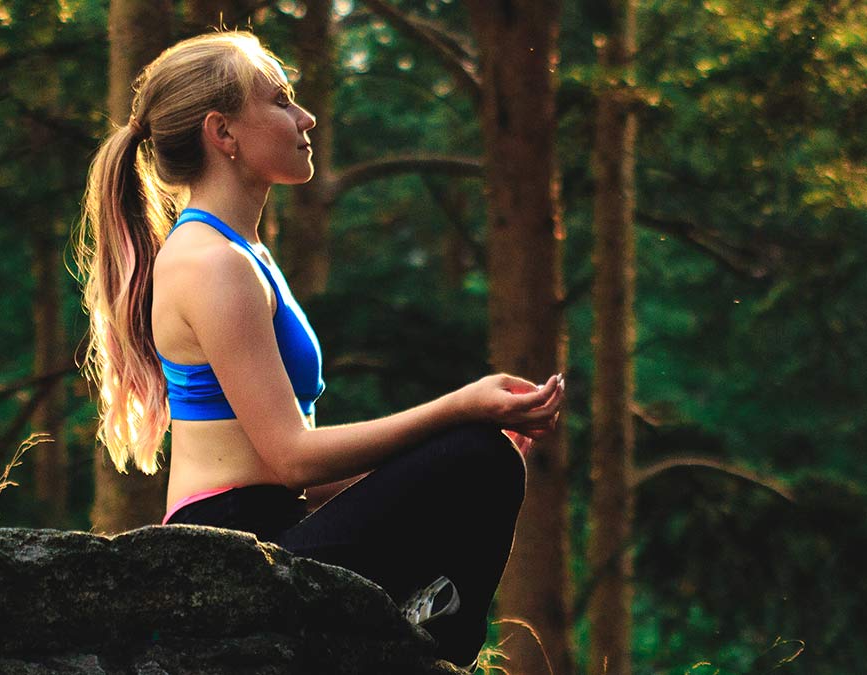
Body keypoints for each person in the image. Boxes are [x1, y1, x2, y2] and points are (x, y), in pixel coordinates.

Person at [76, 31, 563, 671]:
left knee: (480, 460)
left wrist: (446, 455)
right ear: (223, 133)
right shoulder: (211, 264)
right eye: (280, 101)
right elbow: (291, 458)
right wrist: (460, 411)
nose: (305, 118)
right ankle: (425, 648)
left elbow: (291, 469)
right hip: (233, 561)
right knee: (476, 453)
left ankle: (421, 641)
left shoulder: (242, 255)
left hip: (277, 529)